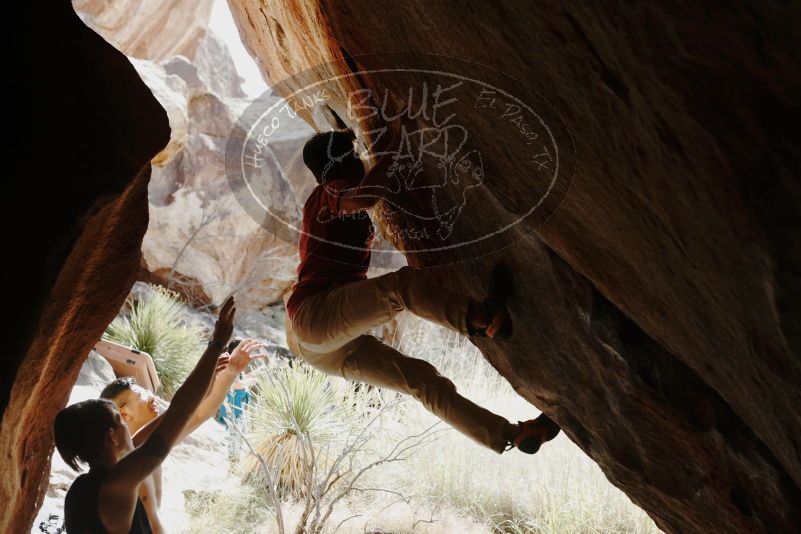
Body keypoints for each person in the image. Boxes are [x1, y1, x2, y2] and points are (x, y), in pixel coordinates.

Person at [285, 123, 561, 455]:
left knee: (420, 381)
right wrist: (394, 146)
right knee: (400, 287)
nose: (360, 162)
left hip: (323, 346)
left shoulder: (332, 197)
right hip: (314, 316)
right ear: (338, 168)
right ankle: (479, 317)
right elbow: (366, 194)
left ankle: (510, 435)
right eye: (353, 157)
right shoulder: (326, 196)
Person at [53, 297, 242, 533]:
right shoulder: (116, 484)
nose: (125, 427)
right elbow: (180, 412)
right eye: (119, 421)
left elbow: (176, 412)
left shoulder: (82, 488)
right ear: (112, 436)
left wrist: (207, 375)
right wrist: (216, 344)